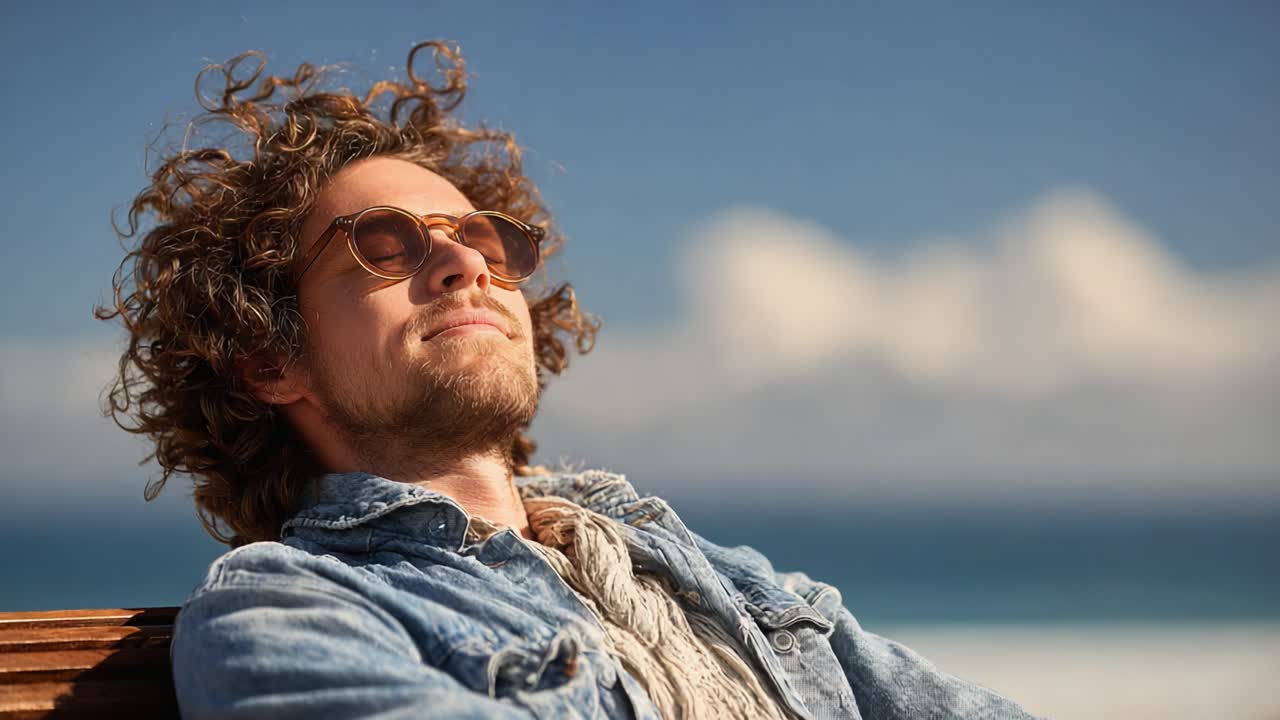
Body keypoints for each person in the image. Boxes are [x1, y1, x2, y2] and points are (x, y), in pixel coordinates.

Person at [98, 40, 1041, 720]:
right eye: (382, 245)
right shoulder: (286, 612)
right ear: (270, 358)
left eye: (485, 241)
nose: (465, 265)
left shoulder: (708, 574)